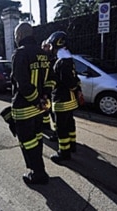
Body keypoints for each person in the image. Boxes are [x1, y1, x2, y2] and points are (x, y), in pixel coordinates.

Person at [11, 22, 51, 185]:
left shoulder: (20, 54)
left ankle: (38, 173)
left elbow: (23, 83)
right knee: (37, 138)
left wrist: (35, 101)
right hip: (40, 108)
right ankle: (38, 169)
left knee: (27, 141)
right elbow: (51, 80)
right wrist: (42, 101)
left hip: (25, 108)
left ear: (19, 36)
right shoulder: (43, 53)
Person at [45, 31, 83, 163]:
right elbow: (74, 79)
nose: (50, 48)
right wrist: (76, 89)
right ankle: (72, 146)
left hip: (62, 100)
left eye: (51, 46)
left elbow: (68, 81)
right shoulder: (68, 59)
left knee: (61, 128)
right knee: (70, 123)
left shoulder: (61, 62)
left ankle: (64, 153)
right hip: (70, 100)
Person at [41, 39, 58, 142]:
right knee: (45, 111)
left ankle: (57, 133)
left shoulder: (53, 60)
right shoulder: (42, 59)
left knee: (53, 113)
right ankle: (46, 126)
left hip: (52, 92)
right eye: (43, 46)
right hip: (44, 91)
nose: (44, 48)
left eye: (46, 46)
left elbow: (52, 78)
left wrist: (47, 92)